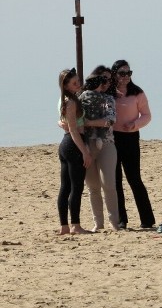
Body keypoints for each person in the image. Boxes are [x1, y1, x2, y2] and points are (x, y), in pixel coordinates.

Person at [111, 59, 155, 229]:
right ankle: (121, 220)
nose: (126, 77)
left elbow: (147, 115)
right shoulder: (108, 92)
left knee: (134, 178)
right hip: (112, 138)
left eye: (128, 73)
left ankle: (147, 219)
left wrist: (134, 124)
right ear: (115, 74)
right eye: (122, 73)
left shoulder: (137, 93)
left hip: (130, 138)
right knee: (115, 180)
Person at [79, 67, 121, 231]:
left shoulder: (109, 99)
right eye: (103, 79)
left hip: (106, 143)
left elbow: (110, 120)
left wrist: (87, 123)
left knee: (108, 184)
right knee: (92, 186)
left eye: (108, 80)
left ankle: (114, 222)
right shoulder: (81, 98)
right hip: (87, 144)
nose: (106, 82)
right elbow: (72, 118)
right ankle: (98, 223)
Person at [56, 68, 94, 235]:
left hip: (65, 144)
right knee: (75, 187)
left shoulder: (63, 99)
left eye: (79, 81)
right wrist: (85, 151)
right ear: (66, 85)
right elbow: (73, 129)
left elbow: (63, 122)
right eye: (74, 83)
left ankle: (64, 225)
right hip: (73, 143)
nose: (78, 84)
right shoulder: (71, 102)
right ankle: (75, 225)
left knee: (65, 186)